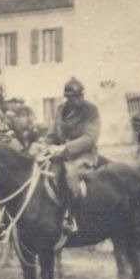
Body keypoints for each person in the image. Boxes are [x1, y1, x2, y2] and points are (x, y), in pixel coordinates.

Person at [42, 77, 102, 237]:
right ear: (67, 97)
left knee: (71, 173)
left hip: (84, 155)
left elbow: (90, 138)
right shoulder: (61, 110)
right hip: (62, 154)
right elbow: (52, 134)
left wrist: (64, 148)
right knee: (41, 169)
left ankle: (71, 217)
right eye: (74, 97)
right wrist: (44, 147)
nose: (79, 100)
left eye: (80, 96)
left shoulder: (91, 111)